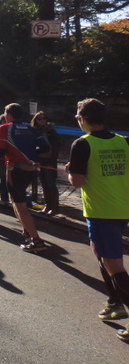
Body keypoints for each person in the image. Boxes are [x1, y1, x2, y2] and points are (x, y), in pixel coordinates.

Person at [65, 98, 129, 342]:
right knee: (99, 252)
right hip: (123, 207)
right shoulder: (123, 141)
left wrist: (71, 170)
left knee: (114, 265)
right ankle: (115, 303)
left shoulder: (82, 144)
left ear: (82, 119)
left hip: (102, 210)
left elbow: (77, 181)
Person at [0, 103, 50, 253]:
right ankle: (26, 230)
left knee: (19, 204)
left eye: (5, 113)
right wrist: (31, 155)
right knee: (17, 200)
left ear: (9, 115)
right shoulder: (30, 129)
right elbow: (45, 148)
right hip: (31, 169)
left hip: (15, 169)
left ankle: (36, 240)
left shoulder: (5, 128)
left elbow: (0, 153)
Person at [31, 111, 61, 215]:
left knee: (51, 184)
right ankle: (48, 206)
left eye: (44, 118)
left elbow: (56, 149)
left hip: (49, 161)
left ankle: (55, 207)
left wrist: (51, 163)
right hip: (39, 160)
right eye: (39, 118)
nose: (42, 120)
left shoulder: (51, 131)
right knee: (44, 184)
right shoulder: (34, 131)